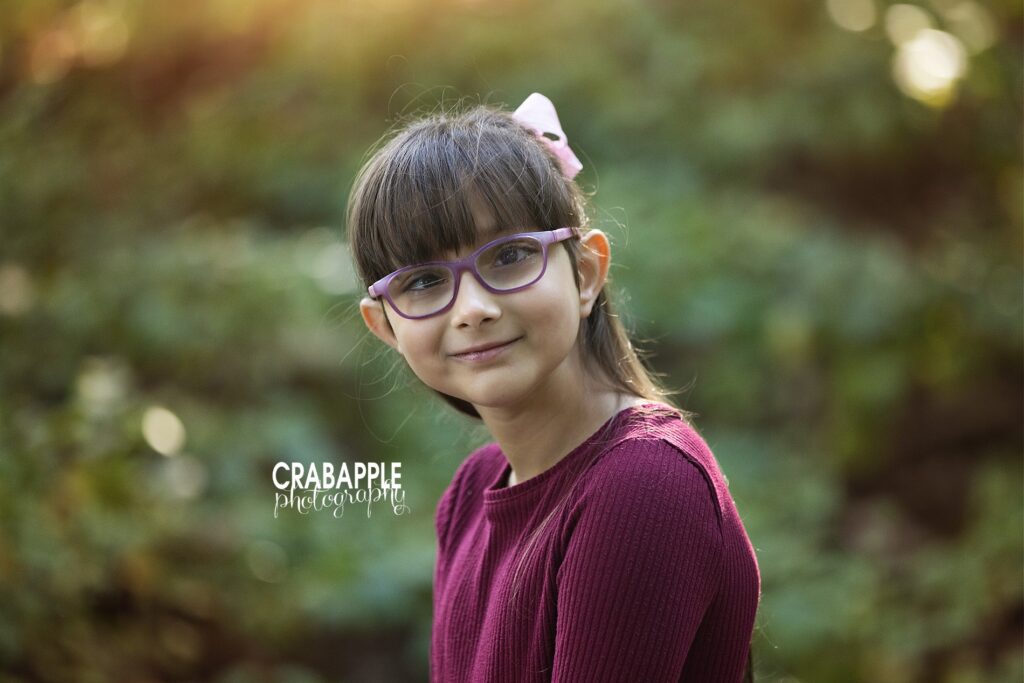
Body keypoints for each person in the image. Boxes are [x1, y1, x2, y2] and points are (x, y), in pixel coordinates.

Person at [347, 92, 760, 682]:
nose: (473, 308)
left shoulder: (642, 484)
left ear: (586, 272)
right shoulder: (472, 493)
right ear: (384, 325)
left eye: (510, 255)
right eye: (423, 282)